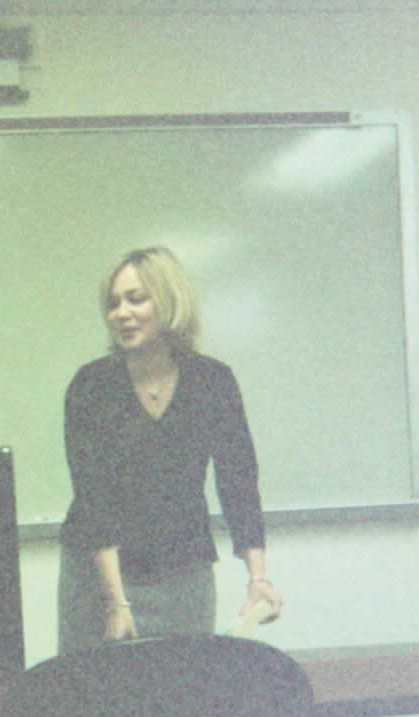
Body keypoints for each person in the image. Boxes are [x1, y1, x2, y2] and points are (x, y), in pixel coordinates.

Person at [58, 246, 282, 653]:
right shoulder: (91, 386)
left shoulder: (213, 382)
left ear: (169, 300)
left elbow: (240, 482)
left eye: (135, 299)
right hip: (100, 577)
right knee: (97, 701)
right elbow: (94, 498)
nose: (120, 313)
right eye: (113, 304)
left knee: (182, 699)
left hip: (183, 573)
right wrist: (115, 600)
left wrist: (258, 579)